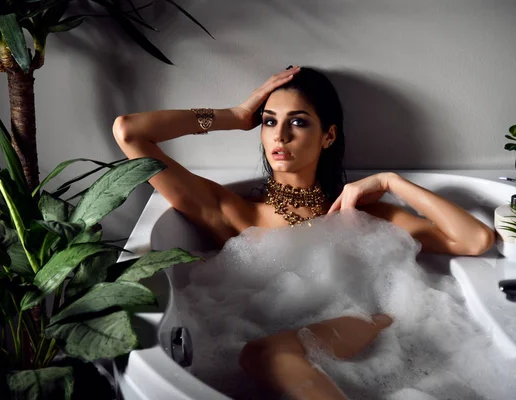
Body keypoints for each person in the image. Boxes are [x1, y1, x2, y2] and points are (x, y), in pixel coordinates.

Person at [112, 66, 495, 399]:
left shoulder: (365, 214)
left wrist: (392, 181)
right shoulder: (235, 212)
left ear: (328, 136)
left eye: (298, 121)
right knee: (264, 355)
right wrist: (235, 114)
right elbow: (130, 132)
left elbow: (475, 240)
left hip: (373, 329)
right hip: (259, 343)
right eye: (269, 121)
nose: (280, 136)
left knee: (267, 355)